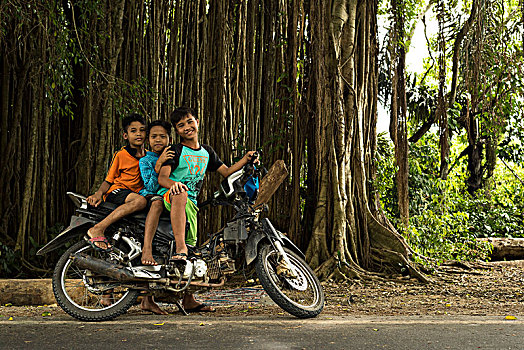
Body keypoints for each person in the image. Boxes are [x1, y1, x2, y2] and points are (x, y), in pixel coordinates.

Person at [158, 106, 258, 312]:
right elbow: (163, 178)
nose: (187, 127)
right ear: (177, 131)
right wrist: (174, 185)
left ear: (197, 121)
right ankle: (180, 247)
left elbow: (228, 172)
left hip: (190, 205)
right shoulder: (175, 151)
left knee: (193, 247)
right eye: (181, 125)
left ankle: (188, 299)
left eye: (189, 121)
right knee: (184, 243)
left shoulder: (207, 152)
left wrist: (246, 159)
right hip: (171, 196)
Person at [86, 114, 148, 251]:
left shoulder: (149, 157)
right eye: (133, 131)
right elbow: (108, 180)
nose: (138, 134)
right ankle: (98, 228)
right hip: (117, 191)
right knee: (140, 202)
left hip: (134, 194)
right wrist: (98, 194)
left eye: (142, 130)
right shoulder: (121, 155)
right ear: (125, 135)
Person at [136, 119, 174, 315]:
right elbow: (150, 186)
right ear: (148, 139)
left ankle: (149, 299)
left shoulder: (175, 156)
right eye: (153, 136)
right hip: (152, 198)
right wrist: (158, 164)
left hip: (172, 199)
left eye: (162, 136)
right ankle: (146, 248)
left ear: (169, 138)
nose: (158, 140)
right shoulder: (145, 160)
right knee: (157, 201)